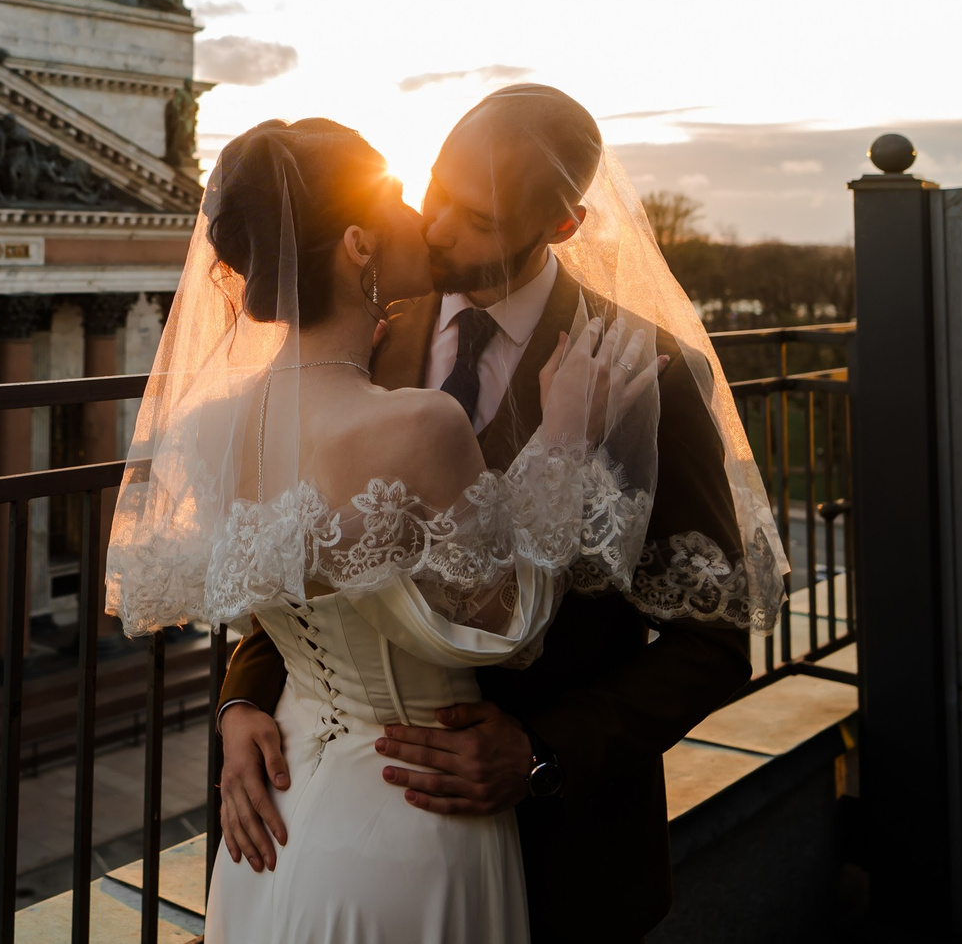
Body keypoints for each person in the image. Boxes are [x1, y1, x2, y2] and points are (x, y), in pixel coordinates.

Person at [210, 86, 786, 943]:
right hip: (346, 829)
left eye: (474, 217)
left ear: (559, 227)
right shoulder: (362, 331)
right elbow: (314, 548)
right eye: (434, 188)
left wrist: (543, 753)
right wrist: (243, 703)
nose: (436, 226)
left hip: (563, 851)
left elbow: (715, 640)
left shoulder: (643, 371)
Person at [106, 117, 665, 942]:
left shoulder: (209, 425)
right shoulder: (419, 424)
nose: (427, 221)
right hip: (406, 825)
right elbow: (511, 625)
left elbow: (289, 577)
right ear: (359, 244)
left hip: (273, 841)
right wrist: (563, 442)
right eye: (408, 195)